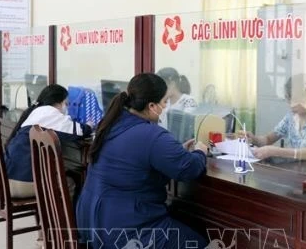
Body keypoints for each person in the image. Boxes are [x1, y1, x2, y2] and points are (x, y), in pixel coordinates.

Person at [76, 73, 209, 249]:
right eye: (164, 102)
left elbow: (137, 158)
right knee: (200, 243)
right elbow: (189, 169)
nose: (165, 107)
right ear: (152, 106)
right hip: (127, 231)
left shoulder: (111, 123)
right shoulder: (151, 135)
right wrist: (201, 151)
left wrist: (177, 152)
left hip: (93, 223)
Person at [4, 84, 92, 199]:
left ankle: (48, 216)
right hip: (21, 184)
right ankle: (64, 217)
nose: (66, 107)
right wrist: (90, 125)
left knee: (60, 171)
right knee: (69, 182)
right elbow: (80, 131)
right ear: (58, 102)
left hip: (5, 181)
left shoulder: (35, 113)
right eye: (66, 103)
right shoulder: (51, 114)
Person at [243, 74, 306, 162]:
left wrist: (277, 151)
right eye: (289, 100)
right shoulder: (290, 117)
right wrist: (254, 139)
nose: (291, 105)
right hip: (293, 169)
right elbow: (269, 139)